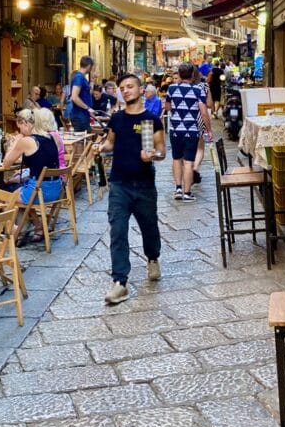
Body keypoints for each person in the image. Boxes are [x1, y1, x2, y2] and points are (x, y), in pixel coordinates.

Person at [92, 73, 165, 305]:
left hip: (143, 184)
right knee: (118, 230)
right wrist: (100, 147)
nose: (126, 90)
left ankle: (153, 257)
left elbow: (161, 150)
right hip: (119, 184)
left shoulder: (150, 120)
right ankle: (120, 282)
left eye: (130, 86)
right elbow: (111, 143)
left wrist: (154, 154)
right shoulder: (117, 119)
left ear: (141, 90)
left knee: (149, 227)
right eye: (122, 88)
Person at [1, 108, 62, 245]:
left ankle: (16, 232)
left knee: (5, 197)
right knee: (19, 192)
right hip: (56, 189)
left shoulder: (27, 141)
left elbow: (6, 164)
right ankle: (38, 225)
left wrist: (16, 142)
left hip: (40, 191)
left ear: (28, 124)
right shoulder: (52, 138)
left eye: (21, 126)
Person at [165, 62, 211, 201]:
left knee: (176, 159)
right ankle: (187, 192)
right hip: (192, 130)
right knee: (189, 161)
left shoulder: (171, 88)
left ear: (179, 74)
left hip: (175, 131)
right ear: (192, 75)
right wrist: (209, 130)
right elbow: (203, 113)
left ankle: (178, 188)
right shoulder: (198, 90)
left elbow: (167, 107)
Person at [67, 55, 95, 131]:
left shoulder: (81, 77)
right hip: (80, 116)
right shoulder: (79, 77)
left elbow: (88, 93)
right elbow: (74, 97)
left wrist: (92, 81)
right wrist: (87, 108)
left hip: (83, 115)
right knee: (82, 140)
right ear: (89, 66)